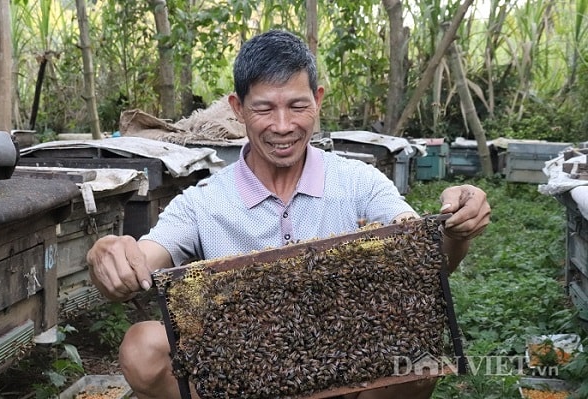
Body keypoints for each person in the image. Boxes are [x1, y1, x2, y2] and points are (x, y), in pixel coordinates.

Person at [87, 29, 490, 399]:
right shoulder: (202, 202)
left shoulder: (360, 183)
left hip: (346, 372)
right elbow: (142, 261)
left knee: (417, 358)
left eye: (297, 106)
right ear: (238, 109)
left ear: (317, 100)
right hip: (241, 374)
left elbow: (423, 257)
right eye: (264, 108)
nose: (283, 126)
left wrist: (456, 231)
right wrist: (111, 256)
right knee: (143, 346)